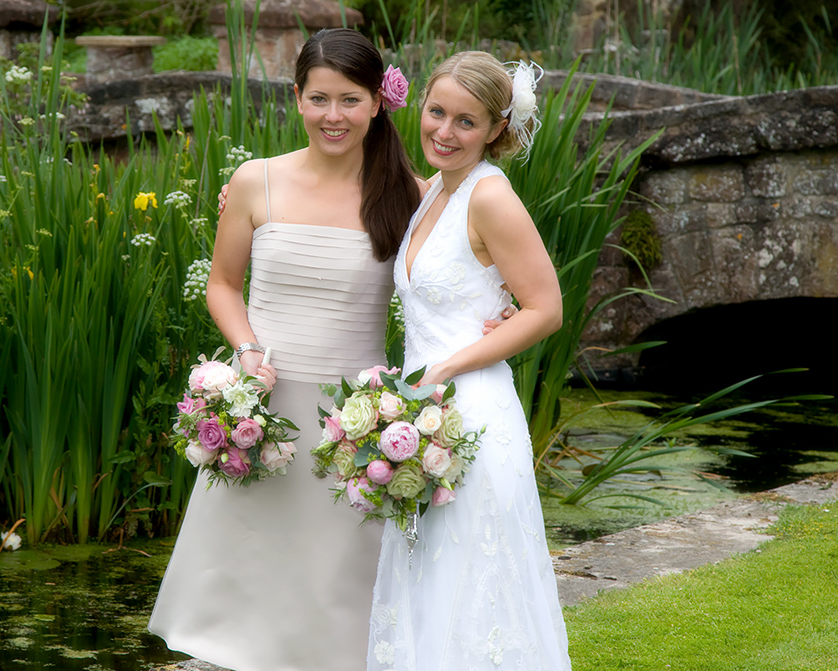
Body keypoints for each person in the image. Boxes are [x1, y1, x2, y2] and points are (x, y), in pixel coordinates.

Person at [148, 28, 421, 671]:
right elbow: (222, 284)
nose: (334, 116)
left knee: (341, 587)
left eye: (350, 100)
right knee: (250, 574)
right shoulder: (254, 181)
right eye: (319, 99)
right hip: (266, 406)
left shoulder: (409, 193)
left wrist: (492, 314)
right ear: (296, 98)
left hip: (353, 420)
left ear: (377, 103)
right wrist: (246, 353)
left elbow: (450, 281)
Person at [367, 52, 571, 670]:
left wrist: (449, 368)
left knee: (476, 575)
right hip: (423, 404)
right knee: (427, 574)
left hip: (470, 410)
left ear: (495, 130)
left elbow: (545, 308)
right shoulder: (432, 193)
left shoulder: (489, 197)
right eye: (437, 113)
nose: (445, 132)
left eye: (467, 121)